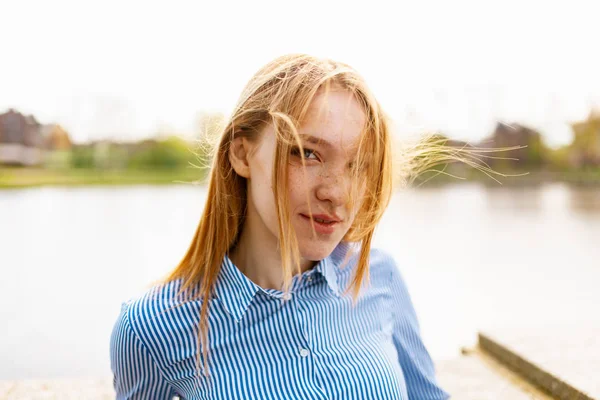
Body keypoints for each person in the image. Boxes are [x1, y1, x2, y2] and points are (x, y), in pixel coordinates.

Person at [110, 54, 450, 400]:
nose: (336, 193)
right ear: (242, 155)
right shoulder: (151, 329)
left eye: (358, 164)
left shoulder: (379, 278)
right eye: (307, 153)